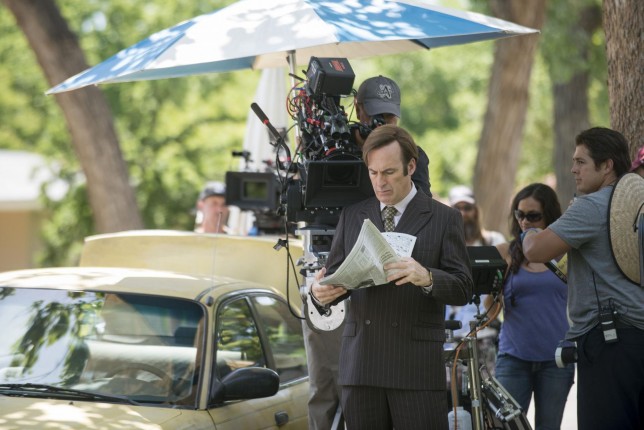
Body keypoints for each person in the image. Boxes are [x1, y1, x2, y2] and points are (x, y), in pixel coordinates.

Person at [311, 125, 473, 430]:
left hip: (415, 367)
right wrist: (320, 294)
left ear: (410, 167)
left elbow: (464, 287)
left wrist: (427, 276)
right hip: (361, 365)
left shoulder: (444, 218)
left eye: (388, 172)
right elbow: (332, 280)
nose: (379, 182)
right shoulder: (352, 215)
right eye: (373, 173)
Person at [302, 75, 433, 430]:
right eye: (374, 115)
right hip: (331, 271)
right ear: (357, 109)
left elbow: (421, 209)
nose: (381, 123)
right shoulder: (331, 143)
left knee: (379, 388)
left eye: (388, 117)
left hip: (385, 278)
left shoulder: (412, 155)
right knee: (325, 383)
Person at [522, 127, 644, 430]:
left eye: (581, 162)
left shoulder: (591, 206)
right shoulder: (637, 204)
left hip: (609, 341)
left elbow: (536, 252)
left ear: (607, 165)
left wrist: (529, 231)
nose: (573, 169)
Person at [493, 183, 573, 430]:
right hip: (513, 357)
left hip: (556, 359)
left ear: (549, 215)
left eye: (533, 216)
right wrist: (492, 285)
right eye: (520, 215)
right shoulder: (505, 252)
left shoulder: (566, 253)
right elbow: (490, 309)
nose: (525, 222)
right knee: (509, 427)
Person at [446, 185, 506, 339]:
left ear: (476, 211)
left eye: (467, 208)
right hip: (454, 333)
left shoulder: (494, 242)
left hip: (486, 331)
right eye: (457, 209)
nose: (463, 213)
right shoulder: (444, 245)